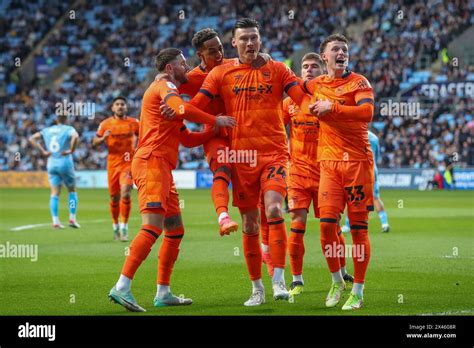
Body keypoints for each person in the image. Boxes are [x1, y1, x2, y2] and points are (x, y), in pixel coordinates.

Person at [190, 18, 311, 306]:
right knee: (249, 224)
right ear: (234, 43)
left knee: (273, 208)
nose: (249, 43)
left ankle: (279, 281)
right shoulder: (221, 72)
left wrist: (315, 108)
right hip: (240, 158)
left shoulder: (278, 68)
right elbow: (195, 105)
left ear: (260, 39)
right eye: (243, 39)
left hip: (274, 154)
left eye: (254, 38)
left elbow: (301, 99)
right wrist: (170, 104)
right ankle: (257, 288)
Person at [108, 48, 236, 312]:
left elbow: (186, 138)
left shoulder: (166, 98)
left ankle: (163, 292)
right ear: (169, 68)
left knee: (175, 230)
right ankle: (121, 287)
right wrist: (216, 119)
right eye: (182, 63)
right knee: (153, 227)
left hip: (162, 167)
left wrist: (211, 130)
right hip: (151, 162)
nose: (187, 67)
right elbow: (180, 108)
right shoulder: (164, 86)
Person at [305, 33, 374, 310]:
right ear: (325, 56)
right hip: (329, 165)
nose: (342, 52)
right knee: (325, 228)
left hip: (357, 163)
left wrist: (332, 106)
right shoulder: (316, 84)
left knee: (358, 231)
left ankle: (357, 290)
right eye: (336, 49)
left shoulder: (359, 82)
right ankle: (336, 281)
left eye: (344, 48)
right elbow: (288, 85)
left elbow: (366, 112)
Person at [93, 97, 139, 241]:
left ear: (126, 107)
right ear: (113, 108)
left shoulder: (134, 123)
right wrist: (102, 139)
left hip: (128, 164)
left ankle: (124, 227)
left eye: (122, 104)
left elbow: (143, 135)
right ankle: (115, 227)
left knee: (125, 193)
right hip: (112, 165)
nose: (120, 107)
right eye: (117, 104)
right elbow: (94, 143)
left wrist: (138, 147)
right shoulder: (105, 124)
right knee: (114, 197)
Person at [29, 115, 80, 229]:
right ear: (66, 119)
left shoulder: (47, 130)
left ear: (56, 120)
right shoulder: (69, 129)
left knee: (54, 193)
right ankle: (72, 218)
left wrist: (43, 151)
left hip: (51, 163)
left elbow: (32, 138)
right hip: (65, 162)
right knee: (72, 191)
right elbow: (75, 137)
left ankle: (55, 221)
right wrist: (71, 150)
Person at [343, 130, 390, 233]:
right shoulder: (374, 137)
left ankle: (347, 225)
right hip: (372, 169)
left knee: (353, 196)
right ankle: (384, 223)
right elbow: (377, 156)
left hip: (357, 169)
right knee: (375, 197)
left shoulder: (353, 135)